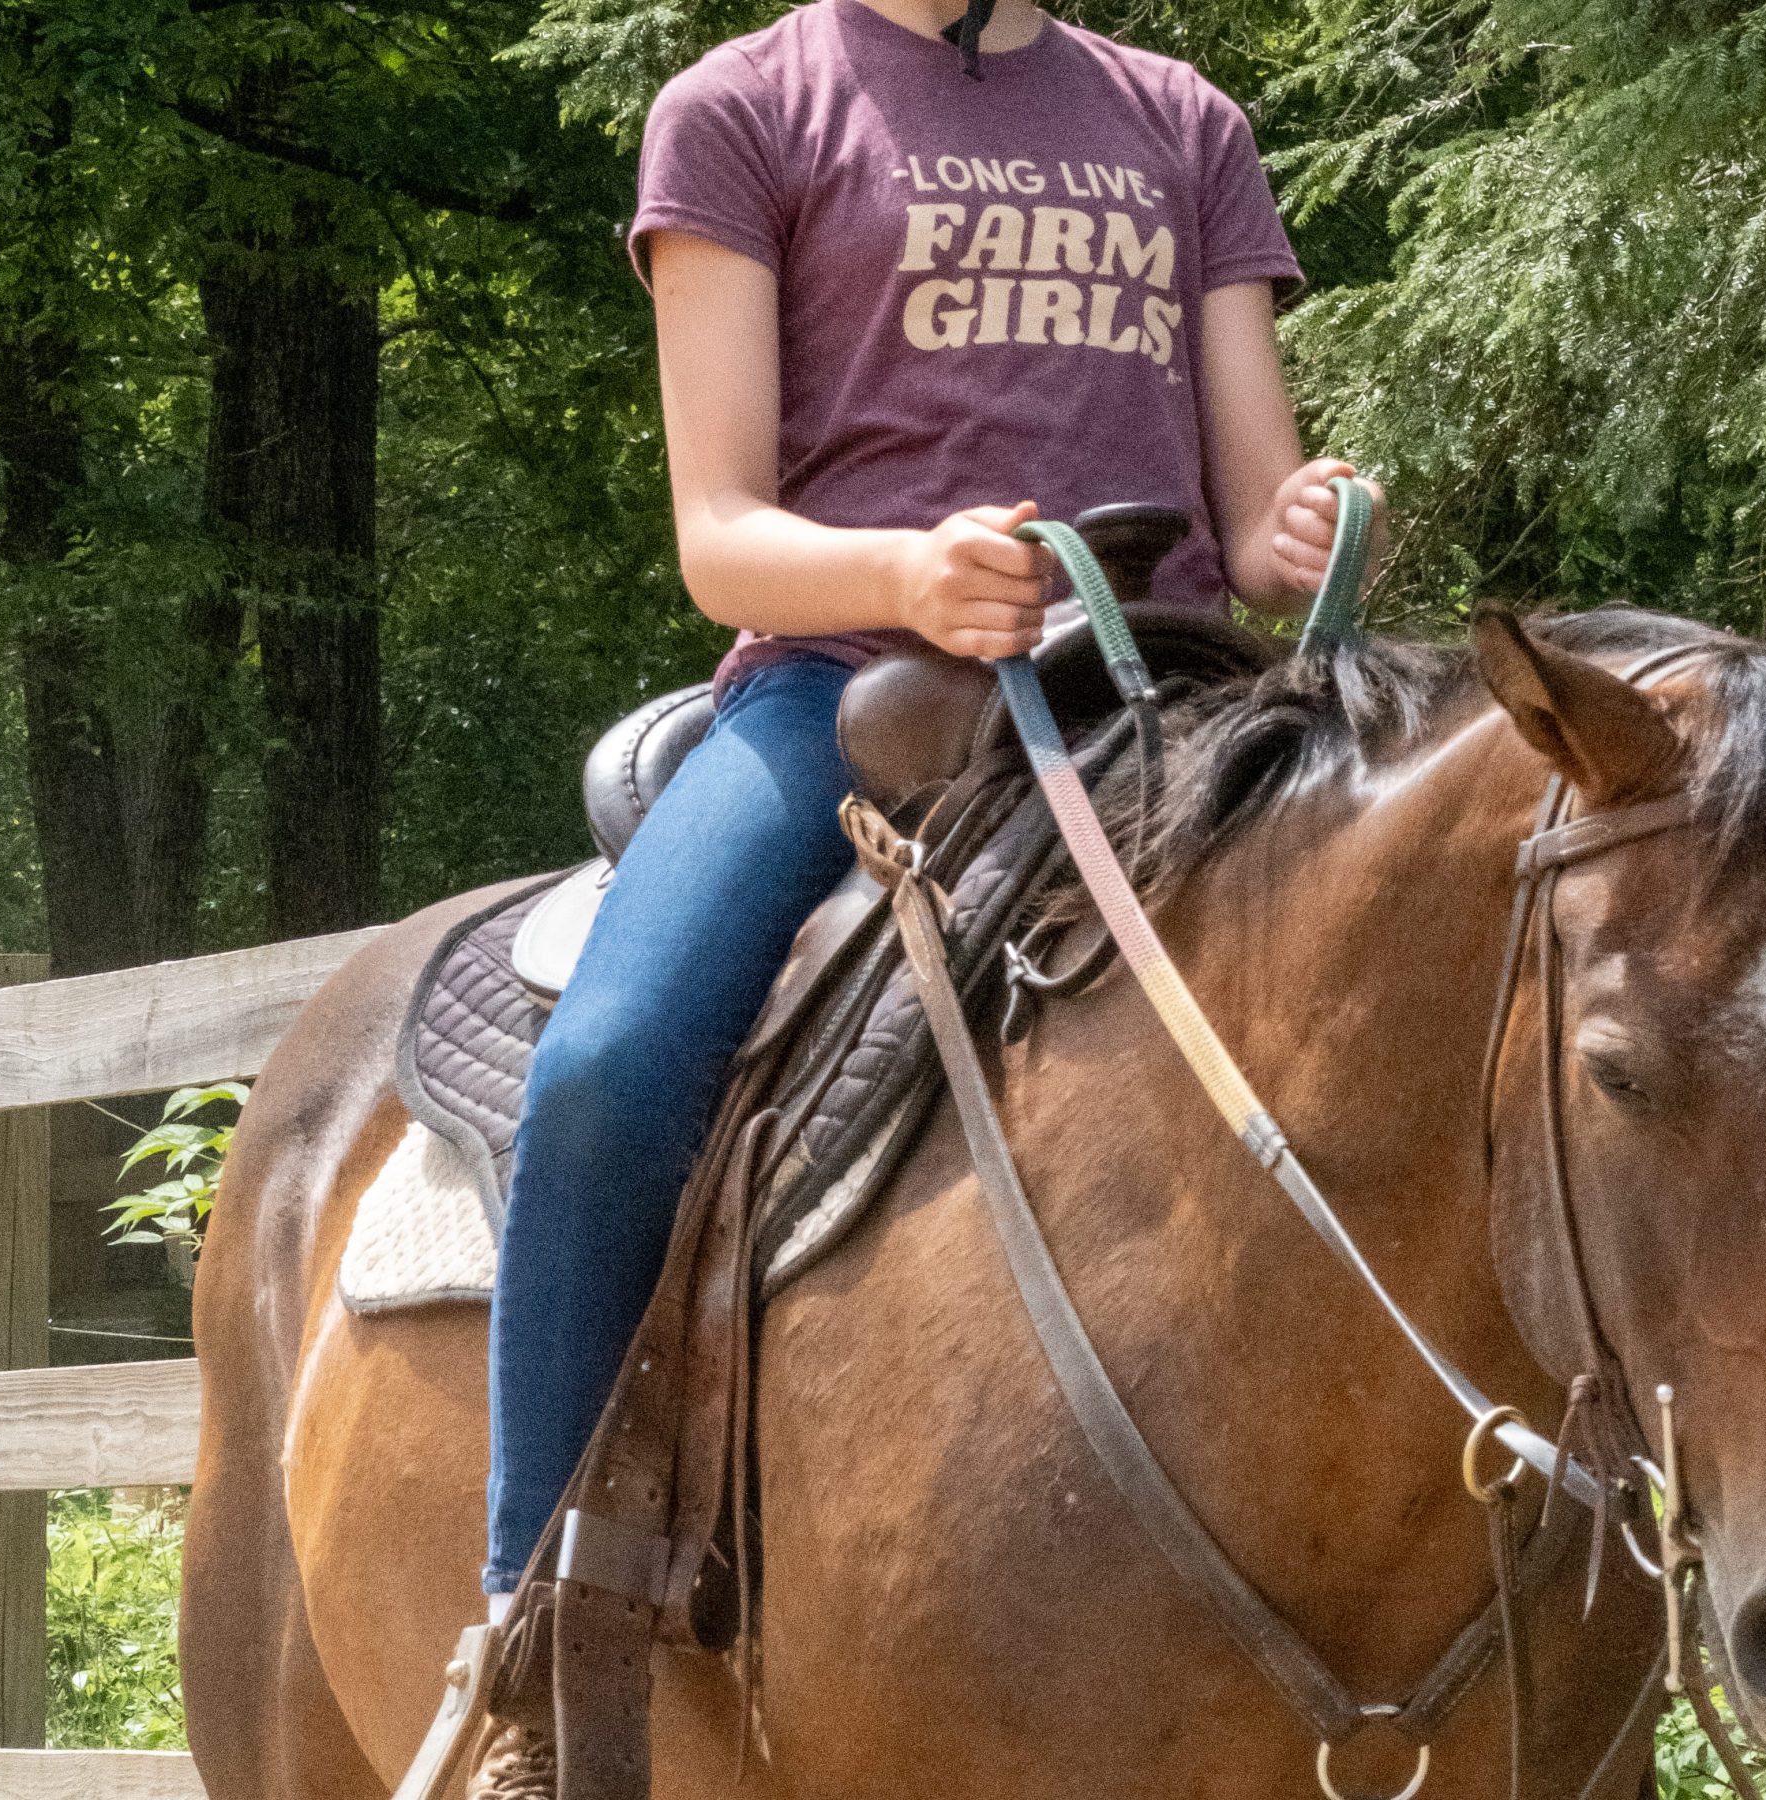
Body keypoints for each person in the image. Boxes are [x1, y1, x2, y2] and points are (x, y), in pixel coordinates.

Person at [470, 0, 1381, 1782]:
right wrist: (908, 565)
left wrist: (1298, 528)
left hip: (1174, 687)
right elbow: (717, 530)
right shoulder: (744, 108)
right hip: (850, 692)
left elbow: (1261, 501)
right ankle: (534, 1642)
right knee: (604, 1075)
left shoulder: (1179, 119)